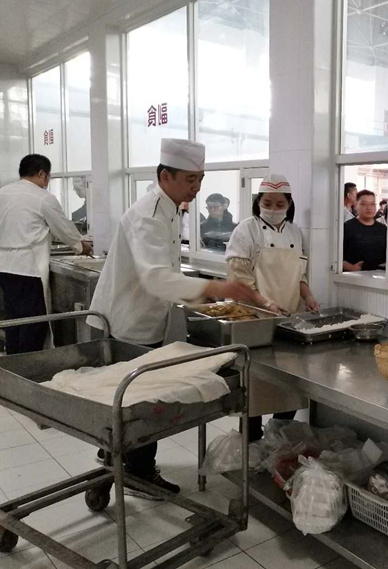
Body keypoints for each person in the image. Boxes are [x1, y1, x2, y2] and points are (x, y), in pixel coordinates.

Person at [88, 139, 264, 498]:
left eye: (200, 178)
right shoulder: (148, 214)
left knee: (131, 401)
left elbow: (166, 270)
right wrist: (213, 287)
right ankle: (138, 474)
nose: (197, 187)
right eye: (190, 179)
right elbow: (155, 277)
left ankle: (115, 456)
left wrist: (200, 291)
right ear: (165, 176)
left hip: (145, 318)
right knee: (138, 402)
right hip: (125, 323)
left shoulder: (171, 209)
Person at [225, 175, 320, 441]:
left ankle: (277, 442)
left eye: (280, 204)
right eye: (267, 203)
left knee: (287, 387)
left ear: (289, 204)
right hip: (254, 320)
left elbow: (299, 275)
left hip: (288, 319)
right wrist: (265, 303)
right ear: (258, 202)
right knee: (253, 390)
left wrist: (309, 296)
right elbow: (238, 278)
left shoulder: (294, 232)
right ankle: (251, 444)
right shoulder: (246, 230)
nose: (273, 209)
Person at [0, 154, 92, 354]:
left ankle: (13, 363)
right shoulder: (42, 198)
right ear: (42, 174)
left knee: (14, 321)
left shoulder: (3, 193)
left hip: (5, 267)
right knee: (34, 323)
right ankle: (31, 365)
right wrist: (81, 246)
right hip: (28, 269)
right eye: (48, 177)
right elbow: (63, 228)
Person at [343, 190, 387, 271]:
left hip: (379, 275)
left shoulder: (383, 229)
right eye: (364, 204)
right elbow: (336, 256)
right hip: (353, 276)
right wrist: (351, 268)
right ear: (356, 205)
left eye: (372, 204)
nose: (369, 208)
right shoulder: (346, 227)